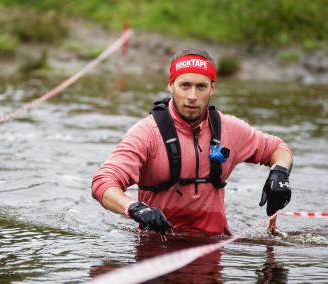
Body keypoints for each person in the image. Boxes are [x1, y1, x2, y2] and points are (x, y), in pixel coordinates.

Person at [91, 48, 292, 236]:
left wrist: (280, 173)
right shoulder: (146, 133)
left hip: (213, 246)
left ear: (212, 88)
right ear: (171, 85)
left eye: (201, 87)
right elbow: (103, 183)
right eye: (185, 85)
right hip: (157, 247)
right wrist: (135, 208)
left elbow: (278, 148)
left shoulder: (229, 129)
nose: (192, 96)